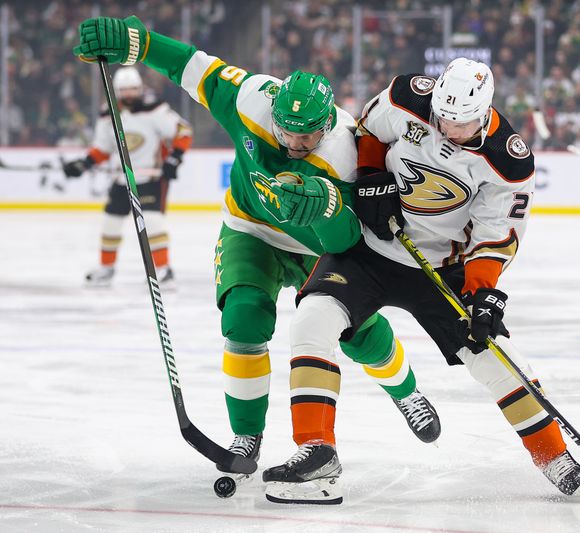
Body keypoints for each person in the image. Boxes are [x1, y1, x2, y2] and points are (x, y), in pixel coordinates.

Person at [72, 15, 440, 486]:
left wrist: (327, 206)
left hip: (316, 248)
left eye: (306, 135)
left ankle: (406, 392)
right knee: (243, 320)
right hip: (251, 229)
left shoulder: (347, 152)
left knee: (360, 331)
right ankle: (247, 436)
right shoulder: (251, 99)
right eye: (286, 132)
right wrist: (135, 42)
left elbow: (350, 239)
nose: (294, 143)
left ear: (326, 122)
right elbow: (192, 65)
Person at [261, 58, 580, 505]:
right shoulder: (407, 97)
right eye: (441, 118)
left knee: (495, 355)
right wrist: (374, 177)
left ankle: (551, 455)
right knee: (311, 321)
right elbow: (369, 131)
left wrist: (483, 295)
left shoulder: (506, 162)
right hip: (370, 247)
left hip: (442, 269)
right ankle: (317, 450)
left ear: (485, 112)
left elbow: (495, 238)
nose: (446, 129)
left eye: (460, 124)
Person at [62, 66, 193, 287]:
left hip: (151, 178)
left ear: (140, 88)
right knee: (110, 223)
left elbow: (183, 132)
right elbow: (102, 149)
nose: (130, 94)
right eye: (125, 90)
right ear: (116, 91)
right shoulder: (107, 115)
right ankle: (106, 268)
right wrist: (83, 164)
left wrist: (174, 158)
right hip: (122, 179)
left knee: (152, 222)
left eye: (134, 89)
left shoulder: (154, 109)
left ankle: (163, 269)